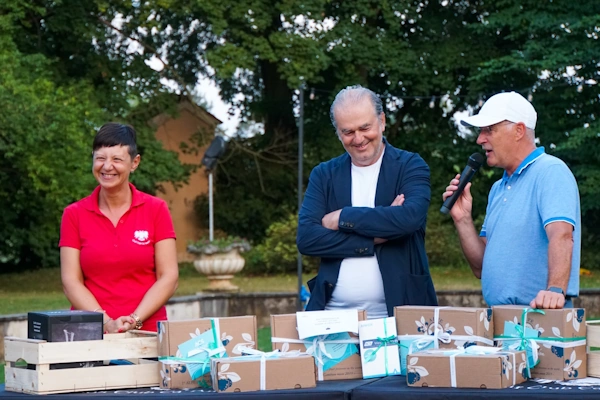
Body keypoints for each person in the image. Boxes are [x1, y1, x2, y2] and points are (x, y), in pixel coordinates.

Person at [297, 85, 438, 319]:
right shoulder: (324, 174)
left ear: (382, 121)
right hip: (332, 316)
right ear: (338, 133)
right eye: (348, 132)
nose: (359, 139)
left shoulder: (410, 165)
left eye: (365, 127)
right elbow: (307, 239)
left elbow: (409, 218)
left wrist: (342, 217)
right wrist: (376, 237)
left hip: (400, 314)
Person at [443, 91, 581, 309]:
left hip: (541, 316)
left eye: (489, 130)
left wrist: (555, 290)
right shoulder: (498, 188)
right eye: (480, 132)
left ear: (518, 131)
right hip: (500, 318)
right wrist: (462, 219)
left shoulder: (551, 171)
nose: (480, 139)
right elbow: (481, 267)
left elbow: (562, 235)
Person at [60, 123, 179, 332]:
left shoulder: (156, 209)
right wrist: (106, 323)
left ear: (134, 162)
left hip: (148, 334)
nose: (107, 166)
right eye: (100, 158)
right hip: (89, 334)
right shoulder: (74, 214)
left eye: (117, 159)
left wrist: (134, 321)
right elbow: (71, 281)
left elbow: (169, 277)